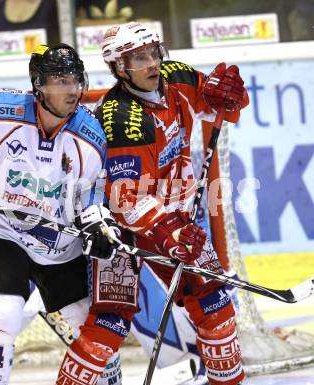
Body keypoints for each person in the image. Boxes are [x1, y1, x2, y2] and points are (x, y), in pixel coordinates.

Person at [0, 43, 124, 385]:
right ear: (38, 85)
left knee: (86, 324)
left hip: (56, 240)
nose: (72, 89)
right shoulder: (1, 110)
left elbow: (91, 196)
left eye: (75, 79)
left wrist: (97, 224)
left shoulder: (91, 136)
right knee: (2, 313)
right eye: (60, 81)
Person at [94, 22, 249, 385]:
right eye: (138, 59)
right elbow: (124, 199)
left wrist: (232, 97)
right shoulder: (121, 119)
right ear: (119, 67)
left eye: (153, 54)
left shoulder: (176, 75)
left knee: (216, 305)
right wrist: (168, 230)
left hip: (173, 220)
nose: (152, 64)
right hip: (116, 229)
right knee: (107, 325)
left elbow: (222, 109)